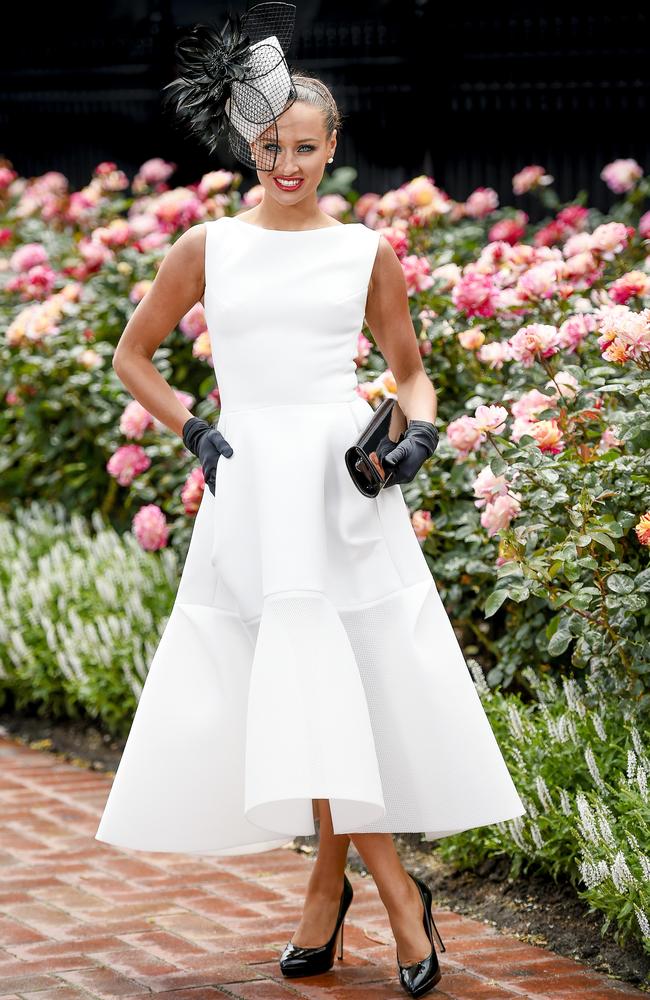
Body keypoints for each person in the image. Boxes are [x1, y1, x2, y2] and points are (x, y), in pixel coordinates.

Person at [94, 4, 526, 996]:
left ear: (330, 148)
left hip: (342, 494)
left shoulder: (362, 253)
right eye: (267, 145)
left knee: (333, 697)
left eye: (303, 145)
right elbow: (132, 356)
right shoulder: (205, 244)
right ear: (249, 146)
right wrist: (193, 427)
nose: (284, 162)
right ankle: (385, 894)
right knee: (306, 699)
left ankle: (344, 897)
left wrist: (413, 437)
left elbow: (408, 371)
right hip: (252, 493)